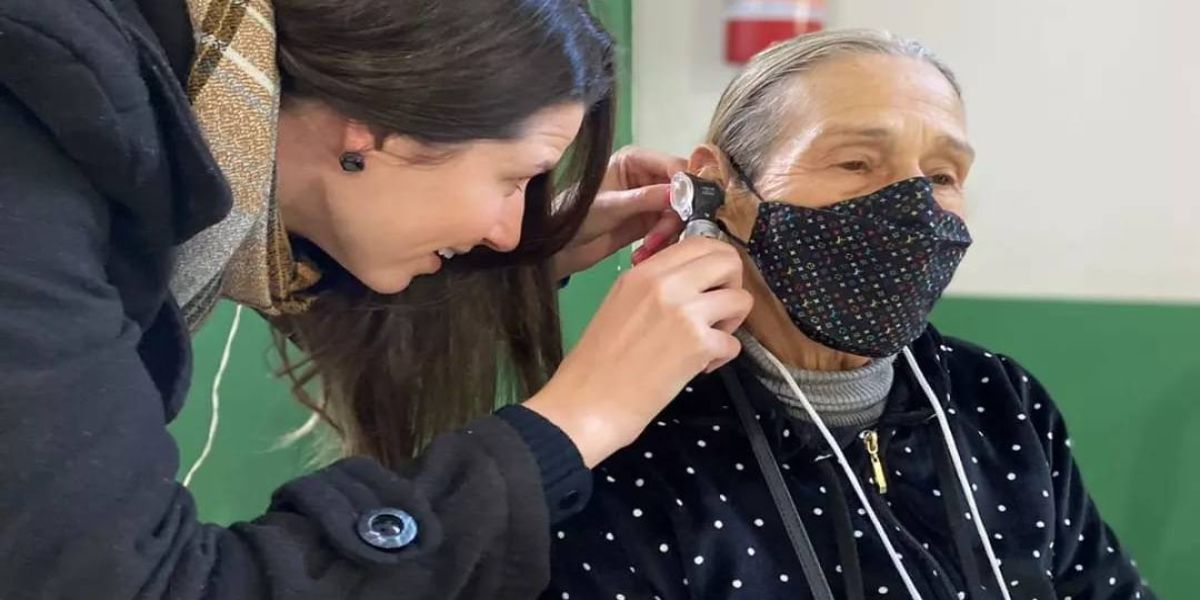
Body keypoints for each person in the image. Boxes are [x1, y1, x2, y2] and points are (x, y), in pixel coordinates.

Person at [0, 0, 753, 598]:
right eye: (515, 179)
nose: (509, 229)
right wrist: (575, 424)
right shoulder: (27, 140)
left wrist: (522, 260)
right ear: (372, 129)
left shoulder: (119, 106)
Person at [545, 29, 1155, 600]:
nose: (915, 207)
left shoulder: (999, 402)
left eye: (943, 175)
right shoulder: (631, 439)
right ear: (719, 185)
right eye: (856, 163)